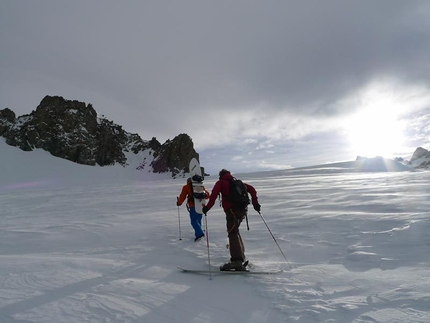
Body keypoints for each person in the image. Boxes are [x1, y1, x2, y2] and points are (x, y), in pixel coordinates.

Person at [202, 169, 261, 271]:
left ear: (221, 175)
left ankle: (236, 261)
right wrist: (255, 203)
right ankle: (240, 257)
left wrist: (207, 208)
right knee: (235, 231)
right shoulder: (237, 182)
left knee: (232, 232)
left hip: (232, 212)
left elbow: (214, 195)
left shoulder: (221, 183)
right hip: (242, 211)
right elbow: (252, 189)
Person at [177, 177, 210, 241]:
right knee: (198, 219)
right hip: (200, 205)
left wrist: (179, 203)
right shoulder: (200, 186)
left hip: (193, 206)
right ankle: (199, 233)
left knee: (194, 221)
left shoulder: (186, 187)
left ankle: (199, 234)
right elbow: (208, 195)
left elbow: (182, 196)